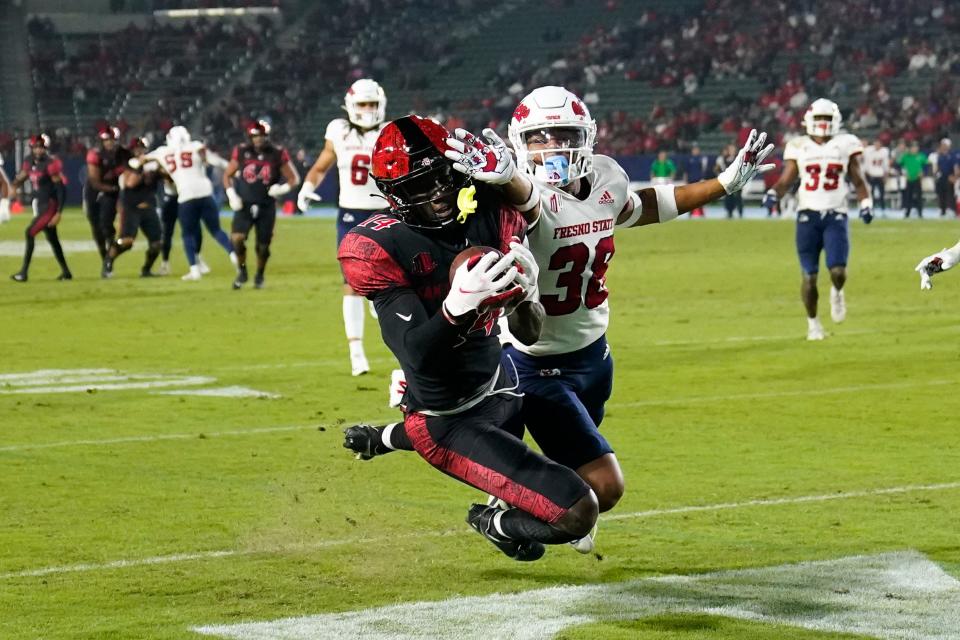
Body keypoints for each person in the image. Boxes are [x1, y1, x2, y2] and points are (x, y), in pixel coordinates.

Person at [444, 85, 772, 551]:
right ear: (520, 143)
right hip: (534, 362)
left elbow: (642, 207)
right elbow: (529, 200)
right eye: (540, 137)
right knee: (604, 488)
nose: (553, 147)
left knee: (574, 465)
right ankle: (500, 522)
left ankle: (514, 503)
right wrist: (507, 177)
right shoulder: (519, 195)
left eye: (563, 134)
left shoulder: (607, 176)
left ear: (588, 136)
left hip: (594, 354)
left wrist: (723, 184)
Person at [338, 115, 598, 562]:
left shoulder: (493, 213)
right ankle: (490, 521)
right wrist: (455, 309)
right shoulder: (377, 245)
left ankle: (382, 438)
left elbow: (529, 333)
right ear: (394, 195)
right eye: (419, 186)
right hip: (448, 416)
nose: (437, 192)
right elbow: (416, 353)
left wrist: (525, 296)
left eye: (442, 175)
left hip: (501, 379)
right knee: (577, 510)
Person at [297, 79, 389, 376]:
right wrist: (307, 185)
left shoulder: (391, 132)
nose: (367, 110)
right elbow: (322, 164)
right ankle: (356, 351)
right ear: (350, 106)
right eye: (362, 104)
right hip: (351, 213)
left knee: (390, 282)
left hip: (386, 212)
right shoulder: (338, 130)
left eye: (371, 104)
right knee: (351, 285)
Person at [763, 98, 872, 341]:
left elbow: (859, 181)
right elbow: (786, 180)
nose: (823, 123)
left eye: (827, 118)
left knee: (838, 272)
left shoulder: (846, 144)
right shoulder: (799, 145)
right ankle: (813, 324)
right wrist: (772, 194)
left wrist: (866, 204)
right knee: (809, 277)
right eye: (819, 118)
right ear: (809, 121)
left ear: (835, 121)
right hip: (807, 216)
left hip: (836, 215)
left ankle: (837, 291)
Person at [150, 125, 237, 281]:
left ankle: (194, 269)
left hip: (186, 195)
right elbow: (215, 161)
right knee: (216, 230)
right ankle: (234, 255)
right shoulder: (196, 146)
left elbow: (139, 162)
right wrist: (230, 167)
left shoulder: (163, 152)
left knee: (187, 234)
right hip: (205, 191)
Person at [223, 120, 299, 289]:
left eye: (261, 136)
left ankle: (259, 275)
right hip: (244, 203)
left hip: (266, 205)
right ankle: (242, 271)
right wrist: (231, 195)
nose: (258, 139)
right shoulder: (242, 151)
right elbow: (227, 175)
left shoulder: (277, 153)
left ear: (267, 136)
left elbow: (294, 178)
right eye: (255, 136)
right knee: (237, 239)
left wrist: (281, 188)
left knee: (263, 247)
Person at [8, 134, 72, 282]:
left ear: (45, 148)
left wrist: (58, 212)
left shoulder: (50, 164)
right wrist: (14, 186)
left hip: (50, 205)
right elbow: (22, 176)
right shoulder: (28, 161)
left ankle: (23, 273)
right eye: (36, 147)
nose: (38, 150)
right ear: (32, 148)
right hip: (40, 204)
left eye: (41, 147)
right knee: (53, 240)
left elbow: (61, 189)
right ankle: (66, 272)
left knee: (30, 232)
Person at [102, 137, 163, 278]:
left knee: (157, 243)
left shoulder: (152, 164)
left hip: (149, 207)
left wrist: (160, 167)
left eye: (142, 148)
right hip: (131, 207)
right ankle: (108, 262)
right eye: (136, 149)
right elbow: (130, 183)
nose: (139, 151)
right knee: (127, 241)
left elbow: (166, 177)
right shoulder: (129, 165)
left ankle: (146, 270)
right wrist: (141, 166)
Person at [84, 125, 131, 259]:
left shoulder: (124, 153)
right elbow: (94, 181)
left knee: (106, 225)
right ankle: (103, 254)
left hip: (112, 191)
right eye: (107, 140)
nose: (110, 143)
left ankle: (110, 253)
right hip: (95, 191)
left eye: (112, 140)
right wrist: (115, 188)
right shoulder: (95, 154)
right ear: (102, 141)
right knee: (96, 225)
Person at [898, 141, 926, 219]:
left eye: (915, 147)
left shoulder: (921, 156)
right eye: (913, 147)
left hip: (918, 179)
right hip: (909, 179)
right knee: (908, 197)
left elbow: (927, 165)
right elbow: (899, 164)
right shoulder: (905, 156)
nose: (914, 149)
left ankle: (920, 213)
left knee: (919, 196)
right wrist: (904, 173)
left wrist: (923, 172)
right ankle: (907, 213)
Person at [714, 144, 743, 218]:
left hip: (737, 181)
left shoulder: (739, 158)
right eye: (730, 149)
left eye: (733, 149)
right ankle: (729, 212)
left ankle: (740, 212)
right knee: (728, 197)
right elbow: (717, 169)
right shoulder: (723, 159)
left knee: (738, 197)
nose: (732, 151)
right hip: (728, 182)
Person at [862, 138, 890, 214]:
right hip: (871, 176)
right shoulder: (868, 151)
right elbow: (864, 159)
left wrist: (886, 176)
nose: (877, 145)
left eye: (878, 144)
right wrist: (867, 173)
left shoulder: (884, 151)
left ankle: (883, 210)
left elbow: (886, 165)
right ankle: (872, 210)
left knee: (882, 194)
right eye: (875, 144)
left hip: (880, 176)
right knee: (871, 194)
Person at [932, 138, 958, 217]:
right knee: (941, 194)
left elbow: (956, 167)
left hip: (949, 176)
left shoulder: (952, 155)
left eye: (945, 144)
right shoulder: (939, 155)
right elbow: (937, 167)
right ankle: (942, 210)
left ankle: (951, 209)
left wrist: (955, 177)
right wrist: (935, 175)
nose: (943, 146)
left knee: (950, 193)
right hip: (941, 176)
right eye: (942, 144)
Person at [682, 144, 709, 217]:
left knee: (700, 197)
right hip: (691, 181)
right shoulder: (689, 159)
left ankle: (701, 213)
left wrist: (703, 179)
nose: (695, 151)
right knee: (690, 198)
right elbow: (686, 171)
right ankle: (690, 213)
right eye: (694, 150)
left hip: (699, 180)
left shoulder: (701, 159)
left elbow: (704, 170)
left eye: (697, 150)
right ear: (692, 151)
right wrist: (686, 181)